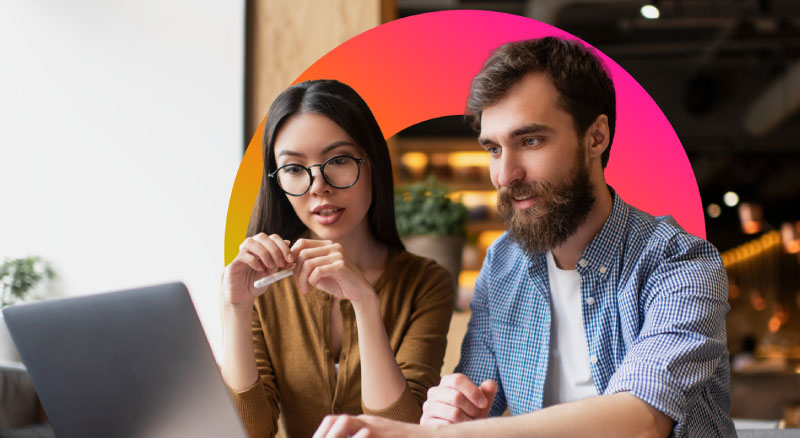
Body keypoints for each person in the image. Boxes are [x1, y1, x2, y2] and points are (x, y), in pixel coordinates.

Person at [312, 37, 734, 438]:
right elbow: (472, 407)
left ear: (596, 137)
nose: (505, 175)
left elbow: (642, 420)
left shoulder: (679, 262)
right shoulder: (503, 264)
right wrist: (453, 412)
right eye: (493, 149)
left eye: (530, 140)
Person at [220, 79, 456, 438]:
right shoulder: (261, 285)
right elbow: (247, 432)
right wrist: (236, 309)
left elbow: (403, 430)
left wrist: (364, 302)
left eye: (339, 160)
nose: (318, 185)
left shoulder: (426, 283)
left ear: (372, 162)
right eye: (295, 169)